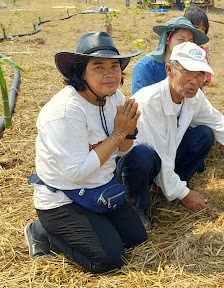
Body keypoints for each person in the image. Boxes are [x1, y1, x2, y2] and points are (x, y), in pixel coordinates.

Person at [116, 42, 224, 229]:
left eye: (200, 74)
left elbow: (220, 125)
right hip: (134, 166)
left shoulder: (194, 97)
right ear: (169, 70)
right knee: (142, 156)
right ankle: (135, 204)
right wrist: (185, 194)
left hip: (163, 158)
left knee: (204, 133)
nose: (194, 81)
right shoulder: (149, 102)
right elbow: (159, 153)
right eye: (187, 72)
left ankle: (166, 189)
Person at [24, 31, 146, 273]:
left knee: (136, 238)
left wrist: (128, 133)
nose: (110, 73)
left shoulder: (114, 97)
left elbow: (122, 152)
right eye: (98, 67)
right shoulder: (65, 112)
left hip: (98, 187)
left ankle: (93, 225)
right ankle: (42, 230)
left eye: (114, 65)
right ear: (80, 73)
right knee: (109, 260)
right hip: (64, 196)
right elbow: (76, 173)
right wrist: (118, 134)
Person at [131, 16, 208, 95]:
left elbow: (197, 100)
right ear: (167, 39)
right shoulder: (146, 66)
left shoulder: (194, 68)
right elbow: (138, 101)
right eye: (181, 40)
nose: (186, 45)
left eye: (190, 41)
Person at [184, 6, 212, 86]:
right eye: (196, 27)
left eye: (203, 29)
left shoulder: (203, 52)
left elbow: (207, 78)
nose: (200, 32)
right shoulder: (178, 49)